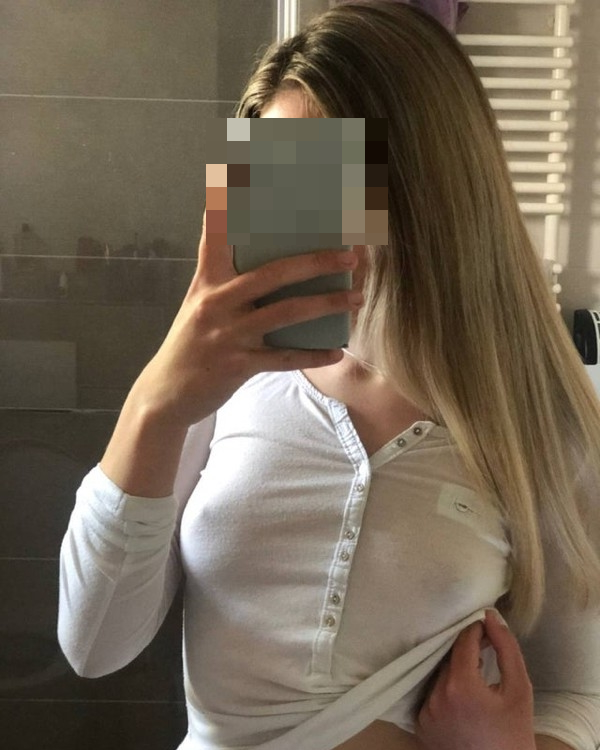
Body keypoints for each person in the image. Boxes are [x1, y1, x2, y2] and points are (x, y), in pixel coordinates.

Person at [57, 2, 600, 749]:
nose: (293, 216)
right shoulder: (224, 373)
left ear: (427, 188)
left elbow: (577, 690)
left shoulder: (536, 418)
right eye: (273, 179)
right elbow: (93, 646)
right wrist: (156, 404)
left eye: (317, 181)